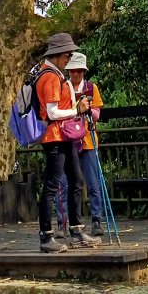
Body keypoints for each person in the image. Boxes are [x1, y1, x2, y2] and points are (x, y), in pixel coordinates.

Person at [34, 32, 102, 253]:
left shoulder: (53, 74)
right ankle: (46, 236)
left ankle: (76, 230)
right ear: (57, 54)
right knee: (52, 185)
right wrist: (77, 110)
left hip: (63, 136)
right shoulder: (50, 77)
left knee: (75, 180)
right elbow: (52, 112)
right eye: (67, 55)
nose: (69, 59)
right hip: (54, 136)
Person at [57, 52, 105, 237]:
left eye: (79, 71)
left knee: (93, 182)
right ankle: (62, 223)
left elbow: (97, 114)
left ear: (84, 71)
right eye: (72, 71)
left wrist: (88, 108)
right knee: (64, 184)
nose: (76, 74)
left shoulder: (91, 88)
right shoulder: (62, 87)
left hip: (87, 140)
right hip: (68, 139)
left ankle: (96, 220)